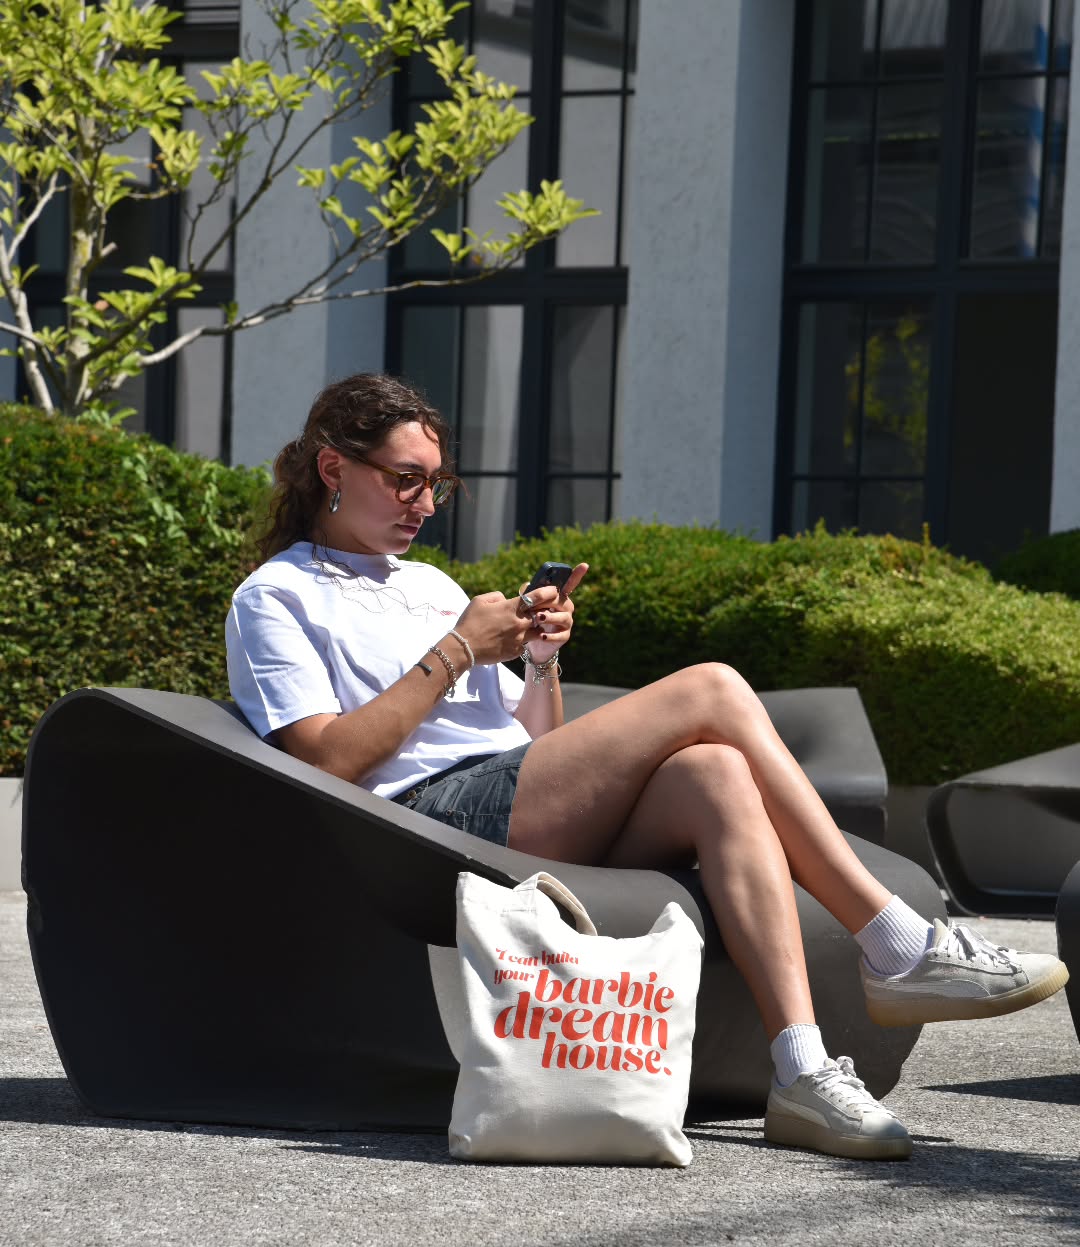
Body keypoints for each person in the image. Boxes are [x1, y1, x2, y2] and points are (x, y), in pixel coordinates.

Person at [226, 372, 1069, 1162]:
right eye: (404, 479)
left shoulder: (434, 586)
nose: (423, 503)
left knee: (715, 772)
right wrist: (455, 652)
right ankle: (896, 945)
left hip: (507, 798)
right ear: (334, 466)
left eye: (436, 485)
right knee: (712, 687)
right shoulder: (277, 596)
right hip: (419, 825)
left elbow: (524, 742)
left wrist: (542, 663)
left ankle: (802, 1071)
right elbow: (326, 758)